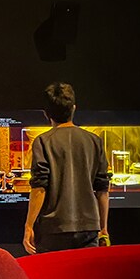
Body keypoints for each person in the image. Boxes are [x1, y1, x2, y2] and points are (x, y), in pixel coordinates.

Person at [23, 83, 110, 254]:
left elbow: (39, 188)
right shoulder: (95, 141)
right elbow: (102, 190)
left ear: (46, 114)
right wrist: (103, 228)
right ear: (74, 108)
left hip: (53, 229)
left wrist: (29, 226)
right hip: (89, 228)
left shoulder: (42, 142)